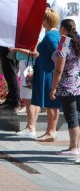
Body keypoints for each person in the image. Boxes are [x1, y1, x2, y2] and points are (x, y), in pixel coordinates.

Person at [49, 19, 80, 160]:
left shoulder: (64, 43)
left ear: (62, 29)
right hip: (78, 82)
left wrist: (53, 87)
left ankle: (74, 147)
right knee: (77, 116)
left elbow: (59, 69)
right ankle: (77, 146)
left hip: (67, 85)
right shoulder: (78, 40)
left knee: (71, 116)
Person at [31, 8, 62, 142]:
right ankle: (51, 131)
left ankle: (51, 131)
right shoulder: (56, 34)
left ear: (47, 20)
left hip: (49, 72)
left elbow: (59, 55)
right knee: (52, 104)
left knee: (51, 103)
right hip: (49, 71)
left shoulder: (50, 36)